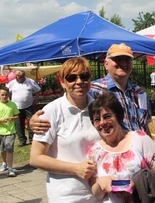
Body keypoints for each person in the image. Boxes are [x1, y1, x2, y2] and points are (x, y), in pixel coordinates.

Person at [29, 57, 101, 202]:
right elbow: (36, 158)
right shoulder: (52, 111)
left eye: (84, 76)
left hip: (99, 193)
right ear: (62, 82)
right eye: (71, 78)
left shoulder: (99, 108)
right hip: (66, 195)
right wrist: (75, 168)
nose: (79, 81)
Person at [87, 92, 155, 202]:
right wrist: (100, 183)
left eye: (107, 116)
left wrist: (136, 182)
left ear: (118, 116)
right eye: (97, 120)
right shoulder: (95, 151)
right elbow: (97, 194)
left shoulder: (139, 139)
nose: (102, 123)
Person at [0, 86, 19, 177]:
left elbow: (17, 116)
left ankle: (10, 168)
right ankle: (4, 162)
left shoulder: (12, 104)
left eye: (6, 95)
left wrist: (11, 118)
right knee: (2, 150)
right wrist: (1, 120)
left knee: (9, 149)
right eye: (2, 95)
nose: (4, 97)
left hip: (10, 131)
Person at [7, 69, 41, 146]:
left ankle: (32, 139)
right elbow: (7, 91)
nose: (17, 78)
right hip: (16, 107)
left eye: (19, 76)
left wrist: (34, 100)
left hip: (29, 106)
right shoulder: (12, 83)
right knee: (19, 125)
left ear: (23, 76)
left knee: (30, 123)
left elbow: (38, 91)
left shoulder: (30, 82)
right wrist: (9, 101)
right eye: (16, 76)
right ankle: (22, 140)